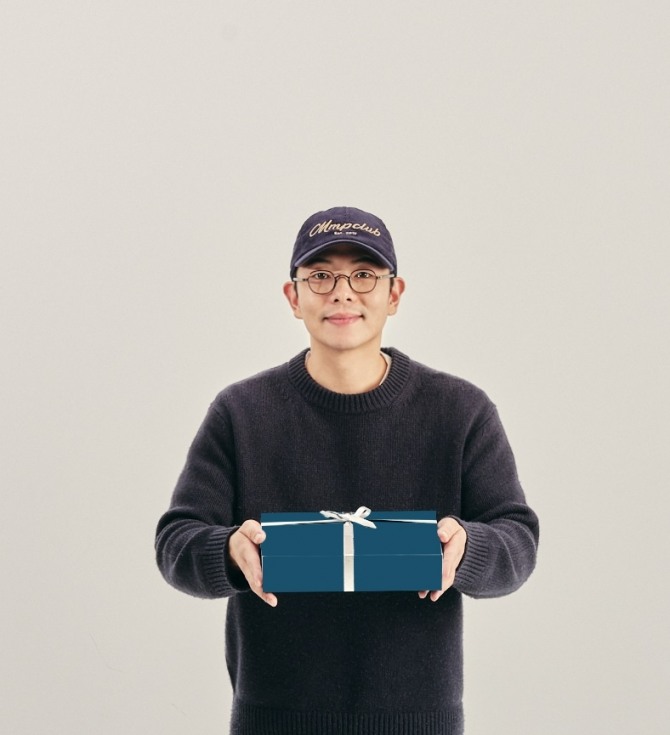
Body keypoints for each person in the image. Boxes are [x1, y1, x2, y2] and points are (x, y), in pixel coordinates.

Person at [155, 205, 539, 735]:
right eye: (321, 276)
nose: (342, 293)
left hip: (419, 721)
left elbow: (518, 539)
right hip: (273, 718)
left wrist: (468, 548)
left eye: (363, 275)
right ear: (293, 297)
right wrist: (228, 551)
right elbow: (176, 541)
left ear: (394, 294)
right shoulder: (240, 412)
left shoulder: (460, 411)